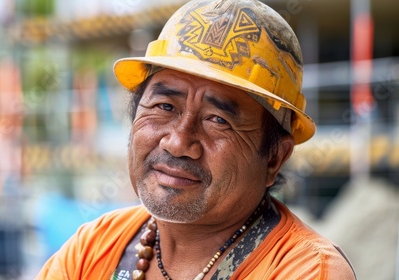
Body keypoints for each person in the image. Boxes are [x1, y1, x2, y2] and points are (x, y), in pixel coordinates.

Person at [36, 0, 356, 279]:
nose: (177, 143)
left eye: (218, 120)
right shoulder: (91, 249)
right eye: (164, 107)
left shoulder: (304, 271)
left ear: (274, 157)